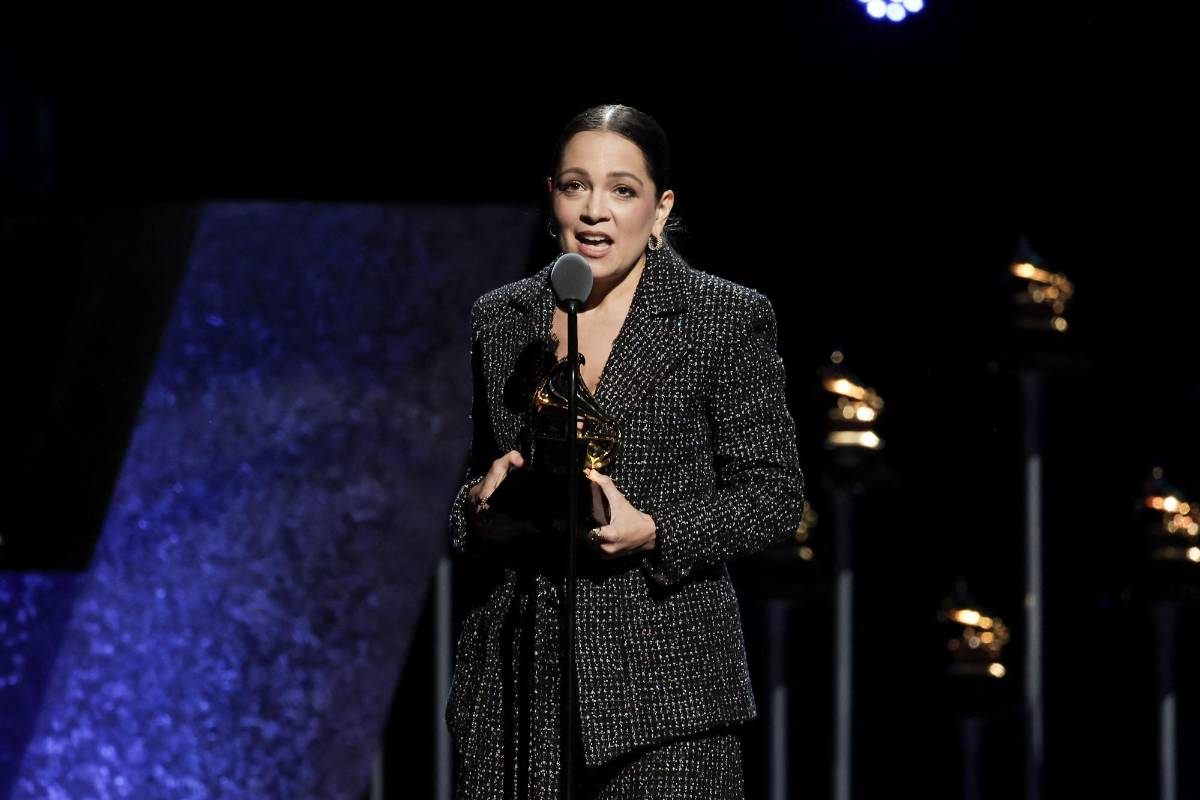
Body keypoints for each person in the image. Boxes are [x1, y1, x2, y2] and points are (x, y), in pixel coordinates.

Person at [444, 103, 805, 800]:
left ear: (661, 208)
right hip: (517, 688)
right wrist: (481, 506)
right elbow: (474, 479)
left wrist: (658, 530)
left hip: (665, 693)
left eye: (622, 189)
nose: (595, 211)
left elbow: (772, 495)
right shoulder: (502, 317)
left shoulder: (723, 317)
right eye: (575, 185)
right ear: (551, 196)